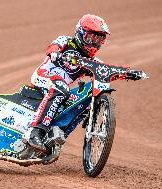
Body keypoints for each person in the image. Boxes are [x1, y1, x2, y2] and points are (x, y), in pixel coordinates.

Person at [28, 14, 111, 151]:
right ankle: (35, 132)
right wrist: (55, 52)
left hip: (60, 88)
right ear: (80, 33)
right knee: (61, 88)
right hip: (43, 77)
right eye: (91, 37)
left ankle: (55, 137)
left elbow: (106, 69)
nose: (94, 43)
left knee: (83, 100)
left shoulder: (92, 62)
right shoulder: (66, 41)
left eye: (99, 39)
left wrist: (129, 73)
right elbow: (53, 46)